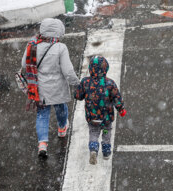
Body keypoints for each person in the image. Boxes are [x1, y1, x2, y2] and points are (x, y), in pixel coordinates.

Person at [21, 18, 79, 158]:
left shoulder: (32, 45)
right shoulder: (60, 47)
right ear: (58, 32)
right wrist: (77, 83)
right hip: (58, 88)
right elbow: (68, 71)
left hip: (39, 89)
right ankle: (61, 129)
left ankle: (42, 144)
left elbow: (24, 64)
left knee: (42, 115)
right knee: (61, 109)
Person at [75, 56, 126, 165]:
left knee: (93, 132)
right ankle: (106, 152)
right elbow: (117, 99)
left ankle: (93, 149)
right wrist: (121, 109)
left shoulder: (85, 82)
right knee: (106, 132)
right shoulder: (110, 83)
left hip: (92, 116)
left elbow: (78, 96)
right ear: (106, 68)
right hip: (106, 117)